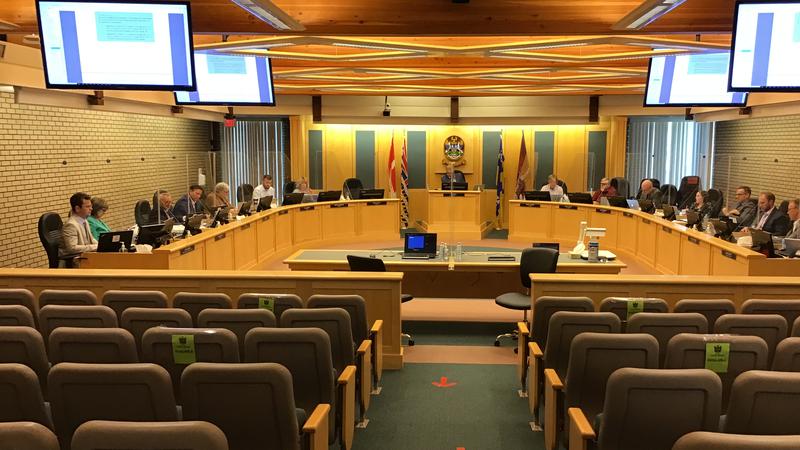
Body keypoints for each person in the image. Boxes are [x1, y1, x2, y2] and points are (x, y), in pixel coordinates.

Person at [60, 192, 98, 256]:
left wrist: (101, 246)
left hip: (84, 255)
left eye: (91, 206)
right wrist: (95, 247)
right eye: (87, 206)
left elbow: (91, 239)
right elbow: (72, 248)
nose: (91, 209)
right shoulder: (71, 225)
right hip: (73, 259)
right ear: (77, 208)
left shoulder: (85, 221)